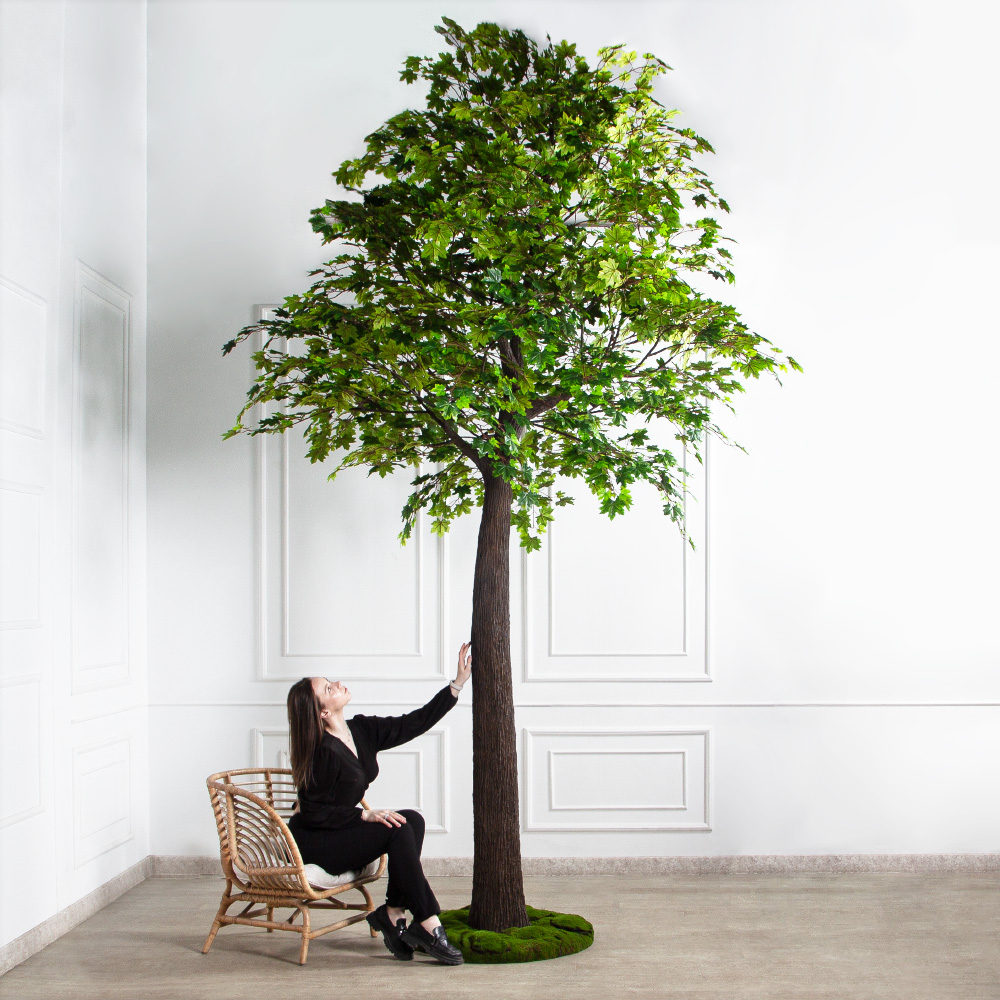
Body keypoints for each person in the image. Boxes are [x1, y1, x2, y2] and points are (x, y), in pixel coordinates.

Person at [286, 642, 472, 965]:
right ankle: (428, 921)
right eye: (329, 688)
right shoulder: (322, 752)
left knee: (412, 821)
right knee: (396, 830)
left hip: (342, 830)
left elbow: (412, 723)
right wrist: (364, 816)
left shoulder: (361, 730)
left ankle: (393, 911)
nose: (338, 684)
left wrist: (456, 685)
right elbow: (313, 813)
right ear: (323, 712)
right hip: (317, 842)